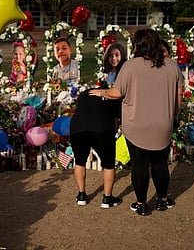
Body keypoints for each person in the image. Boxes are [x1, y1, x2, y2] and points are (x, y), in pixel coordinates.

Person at [90, 28, 184, 216]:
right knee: (160, 164)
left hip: (135, 126)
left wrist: (100, 92)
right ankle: (163, 200)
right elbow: (178, 97)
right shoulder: (172, 66)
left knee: (139, 165)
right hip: (162, 125)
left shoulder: (130, 66)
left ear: (138, 45)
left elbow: (116, 93)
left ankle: (141, 203)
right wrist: (174, 116)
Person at [70, 80, 122, 208]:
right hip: (101, 127)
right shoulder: (112, 96)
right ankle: (107, 198)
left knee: (80, 161)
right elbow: (116, 119)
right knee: (108, 164)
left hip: (77, 126)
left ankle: (81, 195)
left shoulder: (84, 94)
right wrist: (112, 133)